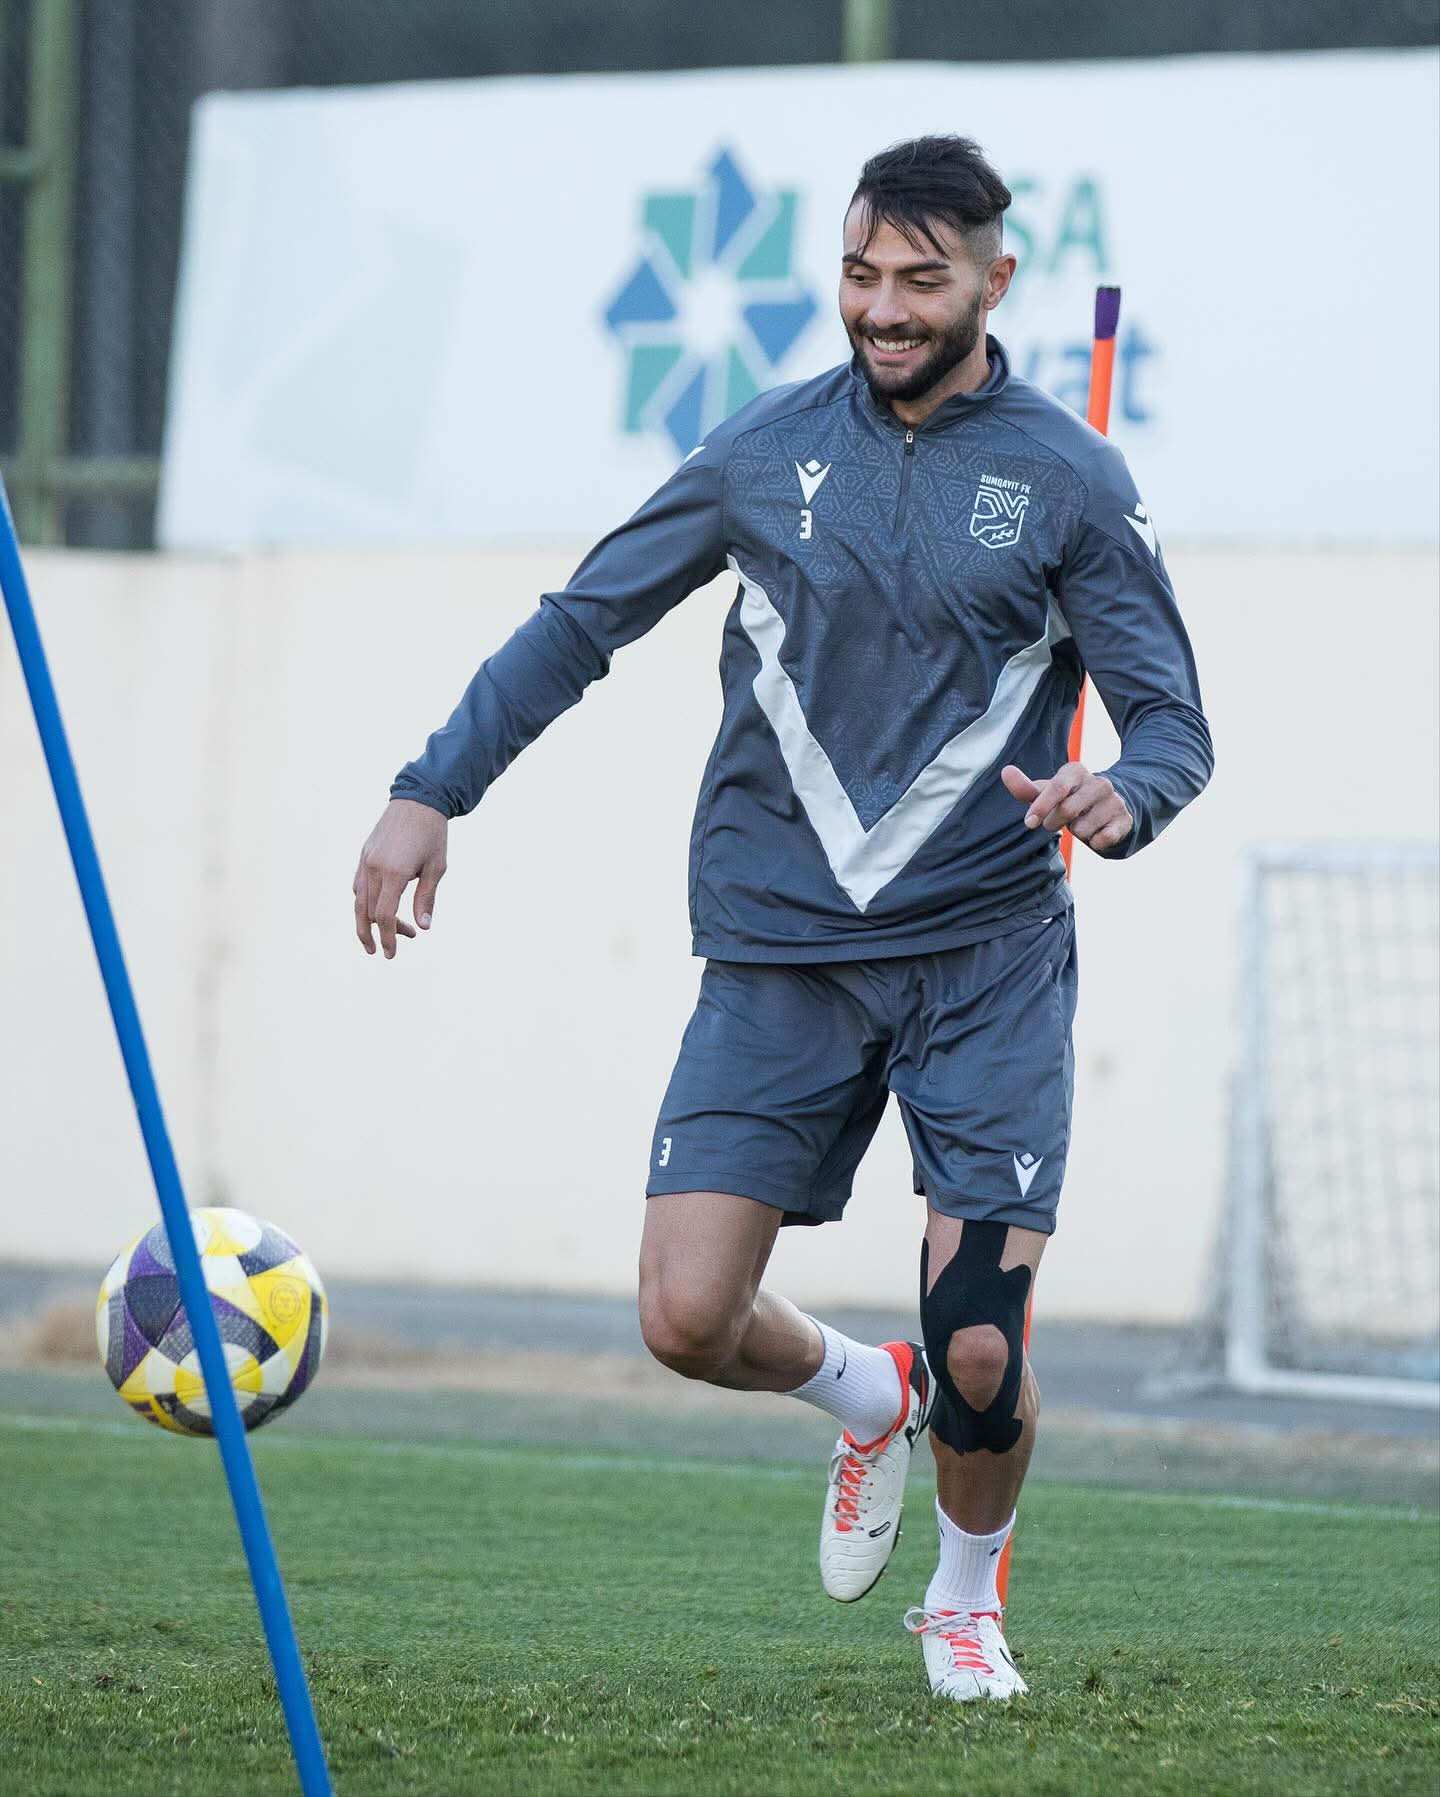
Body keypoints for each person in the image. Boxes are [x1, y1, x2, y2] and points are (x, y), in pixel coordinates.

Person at [353, 134, 1212, 1703]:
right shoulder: (762, 450)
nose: (882, 309)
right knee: (685, 1315)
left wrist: (1124, 799)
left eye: (920, 281)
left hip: (986, 955)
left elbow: (1171, 726)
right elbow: (581, 623)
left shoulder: (1075, 479)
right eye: (861, 275)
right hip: (778, 948)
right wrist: (432, 789)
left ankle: (960, 1600)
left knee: (984, 1346)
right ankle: (862, 1396)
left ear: (993, 282)